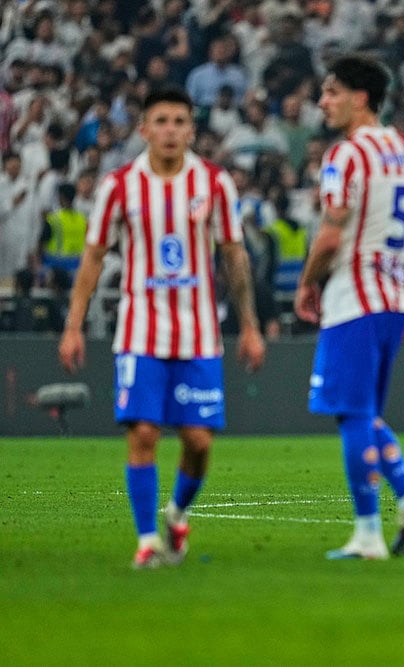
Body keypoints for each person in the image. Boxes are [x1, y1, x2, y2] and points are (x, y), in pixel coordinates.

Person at [57, 87, 266, 569]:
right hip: (139, 331)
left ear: (191, 129)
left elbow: (233, 255)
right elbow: (93, 256)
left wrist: (250, 326)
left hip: (198, 333)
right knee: (144, 434)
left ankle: (175, 514)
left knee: (197, 442)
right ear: (144, 128)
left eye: (179, 121)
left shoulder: (214, 183)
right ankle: (148, 540)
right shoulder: (120, 186)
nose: (170, 129)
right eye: (161, 120)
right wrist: (73, 325)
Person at [294, 55, 404, 561]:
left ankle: (368, 532)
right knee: (369, 414)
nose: (322, 102)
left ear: (360, 97)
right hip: (394, 300)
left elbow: (331, 234)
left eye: (331, 92)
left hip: (354, 298)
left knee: (353, 415)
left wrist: (306, 283)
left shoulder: (347, 155)